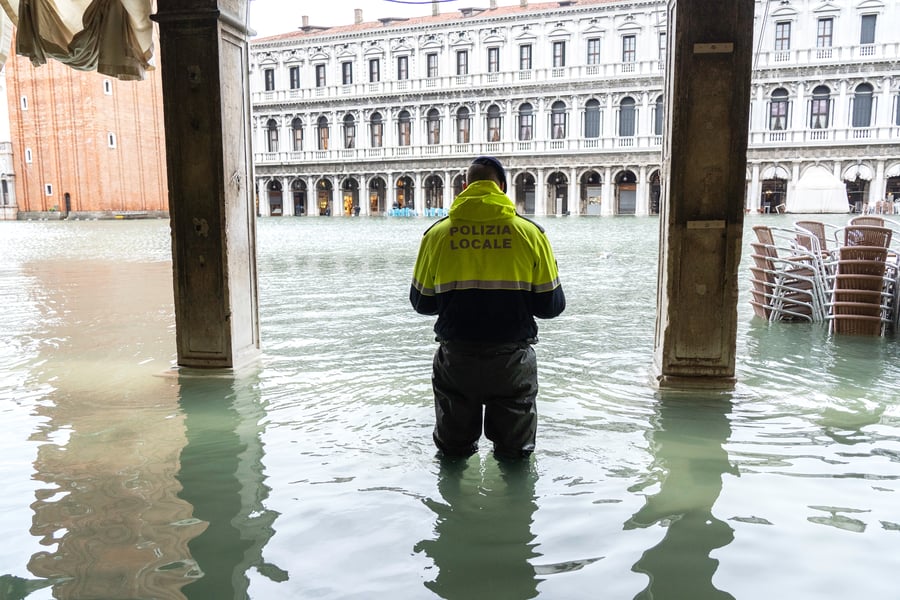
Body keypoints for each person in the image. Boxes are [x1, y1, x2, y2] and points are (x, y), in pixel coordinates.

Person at [409, 156, 566, 460]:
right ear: (502, 188)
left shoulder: (436, 235)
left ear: (465, 187)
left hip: (456, 362)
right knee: (515, 456)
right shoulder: (531, 234)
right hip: (512, 363)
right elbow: (551, 307)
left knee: (452, 454)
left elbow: (421, 303)